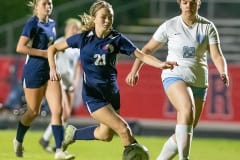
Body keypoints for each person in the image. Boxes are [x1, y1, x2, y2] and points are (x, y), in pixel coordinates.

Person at [47, 0, 177, 158]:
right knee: (123, 129)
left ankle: (73, 134)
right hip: (93, 95)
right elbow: (53, 48)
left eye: (110, 17)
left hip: (112, 93)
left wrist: (160, 64)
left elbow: (141, 55)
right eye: (103, 17)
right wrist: (53, 68)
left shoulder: (116, 39)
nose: (107, 20)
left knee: (105, 135)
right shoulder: (83, 38)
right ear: (94, 18)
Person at [125, 0, 230, 160]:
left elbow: (216, 55)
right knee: (186, 108)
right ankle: (184, 158)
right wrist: (134, 70)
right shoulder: (170, 25)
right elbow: (146, 49)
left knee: (186, 128)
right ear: (180, 4)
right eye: (185, 2)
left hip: (200, 82)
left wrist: (223, 71)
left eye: (192, 2)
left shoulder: (207, 27)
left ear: (198, 3)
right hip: (174, 75)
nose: (188, 5)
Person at [13, 0, 74, 159]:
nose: (48, 6)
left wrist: (54, 55)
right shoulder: (32, 23)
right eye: (45, 4)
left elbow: (51, 48)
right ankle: (18, 139)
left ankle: (59, 151)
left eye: (50, 3)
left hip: (50, 71)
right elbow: (20, 47)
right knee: (33, 111)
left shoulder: (52, 23)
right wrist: (45, 53)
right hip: (33, 71)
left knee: (58, 111)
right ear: (36, 7)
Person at [39, 18, 83, 153]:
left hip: (70, 82)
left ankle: (45, 139)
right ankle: (59, 145)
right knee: (60, 112)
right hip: (59, 80)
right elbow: (51, 54)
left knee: (66, 115)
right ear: (66, 29)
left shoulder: (77, 46)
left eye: (77, 28)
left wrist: (75, 82)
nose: (74, 30)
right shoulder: (60, 42)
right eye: (72, 28)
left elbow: (76, 66)